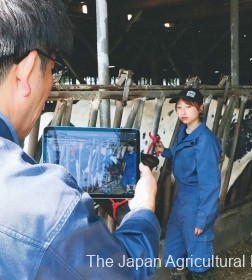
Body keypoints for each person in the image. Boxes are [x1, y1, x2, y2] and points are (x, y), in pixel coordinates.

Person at [0, 1, 160, 279]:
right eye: (52, 69)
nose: (51, 83)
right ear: (25, 72)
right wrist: (144, 210)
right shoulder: (48, 207)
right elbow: (120, 272)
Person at [155, 88, 221, 280]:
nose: (183, 112)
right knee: (175, 245)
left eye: (189, 107)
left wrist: (203, 218)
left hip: (196, 200)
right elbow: (181, 153)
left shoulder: (205, 141)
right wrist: (165, 151)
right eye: (179, 107)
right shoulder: (185, 133)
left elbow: (210, 184)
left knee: (198, 252)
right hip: (181, 199)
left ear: (200, 108)